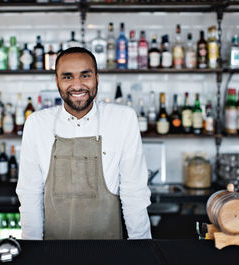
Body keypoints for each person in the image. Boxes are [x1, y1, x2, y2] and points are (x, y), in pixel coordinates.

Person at [16, 47, 151, 240]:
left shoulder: (122, 119)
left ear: (97, 77)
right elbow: (29, 194)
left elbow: (134, 193)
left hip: (110, 250)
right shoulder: (37, 123)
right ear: (57, 81)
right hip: (52, 253)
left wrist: (142, 249)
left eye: (85, 75)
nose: (77, 85)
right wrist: (33, 251)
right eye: (68, 77)